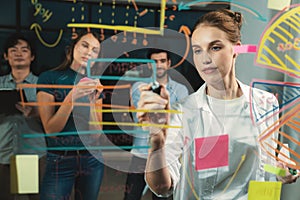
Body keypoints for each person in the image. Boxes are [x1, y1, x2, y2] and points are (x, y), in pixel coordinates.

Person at [137, 9, 299, 200]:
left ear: (236, 49)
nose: (205, 59)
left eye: (215, 47)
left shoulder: (266, 102)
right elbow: (162, 187)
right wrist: (156, 145)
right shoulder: (183, 112)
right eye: (198, 50)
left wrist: (280, 171)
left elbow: (264, 169)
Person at [37, 30, 104, 200]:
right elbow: (51, 129)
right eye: (85, 45)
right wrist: (72, 96)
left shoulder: (94, 84)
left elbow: (96, 134)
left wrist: (92, 100)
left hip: (91, 160)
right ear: (72, 48)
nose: (89, 52)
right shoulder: (49, 78)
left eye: (95, 50)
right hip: (60, 160)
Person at [124, 48, 189, 200]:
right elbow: (140, 118)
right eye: (154, 61)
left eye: (162, 61)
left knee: (163, 197)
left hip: (166, 155)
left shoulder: (181, 90)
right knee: (130, 197)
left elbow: (180, 123)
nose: (158, 65)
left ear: (169, 63)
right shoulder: (139, 87)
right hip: (140, 154)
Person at [0, 33, 46, 200]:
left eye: (24, 50)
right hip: (3, 152)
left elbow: (54, 118)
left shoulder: (42, 84)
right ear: (6, 56)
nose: (19, 54)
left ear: (32, 56)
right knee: (5, 196)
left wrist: (36, 112)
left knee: (35, 197)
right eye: (13, 50)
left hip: (33, 153)